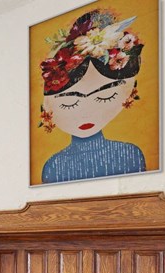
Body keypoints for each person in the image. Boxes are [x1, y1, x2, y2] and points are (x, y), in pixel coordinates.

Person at [38, 9, 146, 184]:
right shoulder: (53, 166)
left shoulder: (130, 155)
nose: (86, 112)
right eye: (70, 103)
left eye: (106, 97)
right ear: (48, 107)